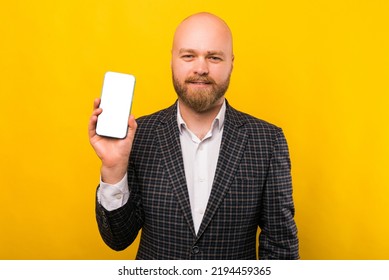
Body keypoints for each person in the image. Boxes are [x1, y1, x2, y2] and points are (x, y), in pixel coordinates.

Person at [89, 12, 299, 260]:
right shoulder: (138, 135)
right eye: (188, 56)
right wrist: (114, 170)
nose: (201, 68)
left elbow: (280, 247)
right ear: (172, 61)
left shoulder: (268, 141)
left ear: (231, 62)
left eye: (214, 57)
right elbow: (118, 239)